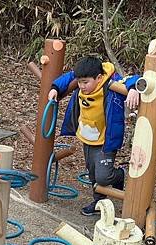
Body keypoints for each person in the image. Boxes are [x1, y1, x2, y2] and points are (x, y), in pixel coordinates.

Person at [48, 56, 140, 216]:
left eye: (85, 82)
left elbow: (133, 79)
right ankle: (99, 201)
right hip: (87, 137)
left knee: (103, 177)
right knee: (92, 172)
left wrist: (133, 89)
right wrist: (55, 87)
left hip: (106, 140)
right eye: (80, 82)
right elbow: (69, 76)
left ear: (98, 78)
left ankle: (119, 175)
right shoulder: (83, 79)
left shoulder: (111, 83)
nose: (81, 86)